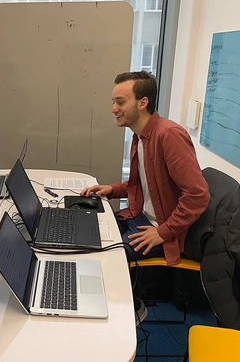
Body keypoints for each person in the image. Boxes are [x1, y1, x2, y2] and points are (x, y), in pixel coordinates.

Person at [81, 71, 210, 323]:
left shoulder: (168, 135)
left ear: (143, 103)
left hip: (165, 230)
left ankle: (129, 311)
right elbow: (143, 184)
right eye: (113, 102)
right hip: (140, 217)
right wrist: (112, 189)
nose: (113, 109)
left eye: (120, 102)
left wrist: (162, 232)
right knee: (90, 233)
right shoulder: (140, 135)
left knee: (109, 256)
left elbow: (197, 195)